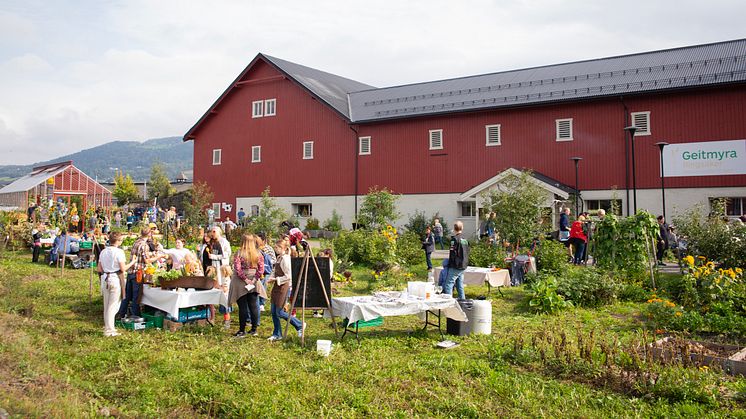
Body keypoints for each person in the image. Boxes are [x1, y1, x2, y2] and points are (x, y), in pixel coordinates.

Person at [98, 232, 136, 337]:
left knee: (106, 305)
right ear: (118, 241)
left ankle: (108, 326)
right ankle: (110, 330)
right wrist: (132, 262)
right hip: (115, 278)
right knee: (113, 305)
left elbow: (99, 268)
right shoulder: (119, 252)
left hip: (105, 277)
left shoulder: (103, 252)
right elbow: (123, 268)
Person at [267, 238, 305, 341]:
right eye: (275, 247)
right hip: (276, 286)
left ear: (283, 248)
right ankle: (277, 333)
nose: (275, 249)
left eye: (277, 247)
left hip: (284, 287)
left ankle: (299, 325)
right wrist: (271, 278)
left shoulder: (286, 259)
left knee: (279, 312)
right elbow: (275, 270)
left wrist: (276, 279)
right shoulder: (279, 257)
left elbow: (289, 276)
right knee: (273, 311)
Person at [228, 234, 265, 338]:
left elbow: (238, 269)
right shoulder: (258, 254)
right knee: (253, 305)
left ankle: (242, 330)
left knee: (243, 306)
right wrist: (253, 279)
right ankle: (254, 329)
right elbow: (261, 269)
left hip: (240, 282)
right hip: (254, 280)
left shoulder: (239, 253)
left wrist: (245, 279)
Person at [117, 228, 157, 319]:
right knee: (136, 296)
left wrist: (151, 254)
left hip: (131, 271)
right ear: (149, 234)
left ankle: (121, 314)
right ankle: (136, 316)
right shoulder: (144, 245)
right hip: (138, 273)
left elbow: (139, 255)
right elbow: (147, 261)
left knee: (127, 296)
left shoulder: (136, 242)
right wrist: (158, 257)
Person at [444, 221, 469, 300]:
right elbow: (468, 250)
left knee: (448, 284)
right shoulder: (465, 239)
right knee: (459, 284)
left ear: (454, 229)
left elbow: (452, 253)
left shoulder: (454, 239)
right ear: (462, 228)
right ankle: (462, 300)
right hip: (464, 264)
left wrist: (450, 264)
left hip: (456, 265)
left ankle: (448, 302)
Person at [256, 232, 276, 314]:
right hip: (257, 271)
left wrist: (266, 261)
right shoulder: (255, 248)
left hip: (266, 271)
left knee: (263, 287)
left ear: (263, 240)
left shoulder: (269, 249)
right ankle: (257, 302)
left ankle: (261, 303)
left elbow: (274, 260)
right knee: (257, 287)